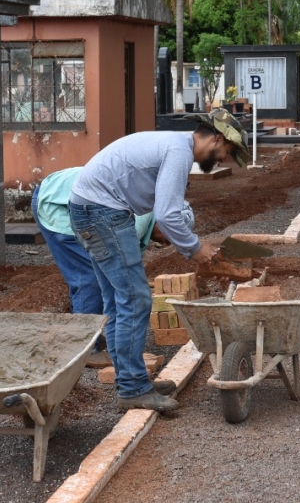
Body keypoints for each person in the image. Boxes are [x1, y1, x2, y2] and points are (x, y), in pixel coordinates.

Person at [68, 108, 249, 412]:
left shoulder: (174, 146)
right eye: (226, 151)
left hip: (89, 208)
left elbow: (169, 207)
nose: (223, 159)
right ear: (216, 138)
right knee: (136, 300)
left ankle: (131, 380)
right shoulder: (178, 152)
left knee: (116, 302)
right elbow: (166, 215)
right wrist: (194, 248)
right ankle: (134, 389)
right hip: (102, 213)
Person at [32, 167, 193, 379]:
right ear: (165, 225)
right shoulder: (139, 220)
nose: (169, 242)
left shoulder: (147, 214)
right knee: (89, 278)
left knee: (96, 276)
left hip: (67, 195)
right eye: (172, 236)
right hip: (55, 202)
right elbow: (120, 266)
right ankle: (87, 348)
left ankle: (94, 334)